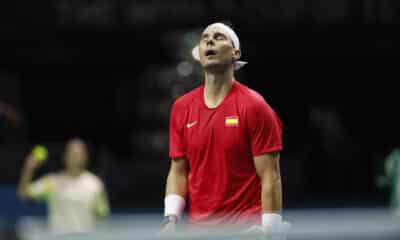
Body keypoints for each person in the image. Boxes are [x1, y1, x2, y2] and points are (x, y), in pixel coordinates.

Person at [162, 22, 290, 238]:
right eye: (204, 38)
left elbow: (270, 176)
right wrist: (170, 218)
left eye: (219, 37)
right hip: (200, 232)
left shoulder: (255, 106)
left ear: (235, 53)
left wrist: (271, 229)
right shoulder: (181, 108)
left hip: (246, 229)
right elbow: (178, 170)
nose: (209, 41)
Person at [17, 138, 110, 235]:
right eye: (72, 153)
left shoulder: (95, 184)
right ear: (65, 157)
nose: (75, 156)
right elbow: (23, 194)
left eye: (79, 153)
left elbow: (102, 217)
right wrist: (29, 168)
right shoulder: (52, 182)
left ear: (85, 157)